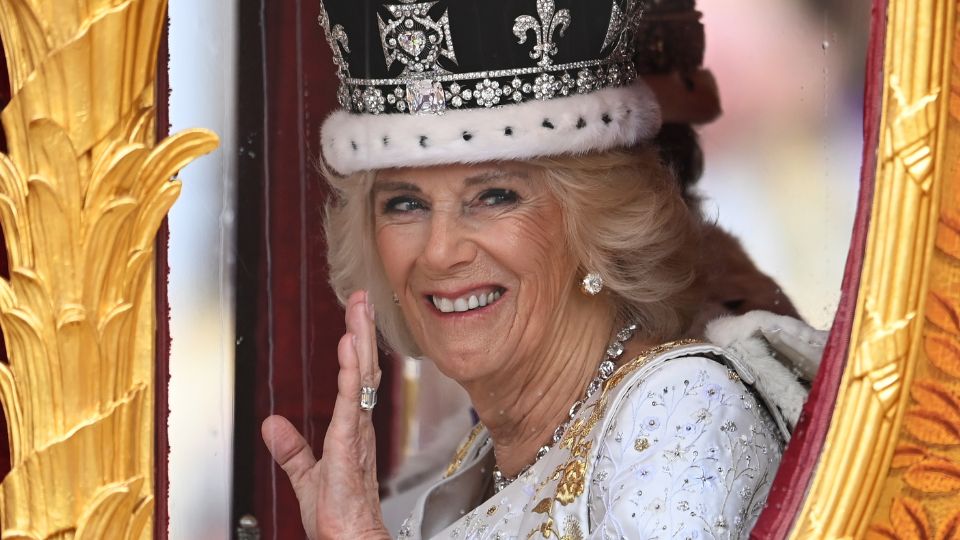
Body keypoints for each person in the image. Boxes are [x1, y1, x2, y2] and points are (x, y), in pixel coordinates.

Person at [261, 1, 823, 538]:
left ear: (595, 223)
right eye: (405, 204)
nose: (438, 252)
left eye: (495, 196)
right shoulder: (483, 457)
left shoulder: (680, 407)